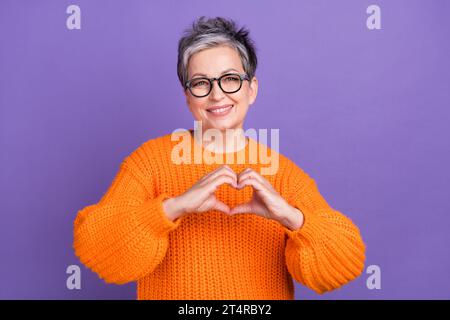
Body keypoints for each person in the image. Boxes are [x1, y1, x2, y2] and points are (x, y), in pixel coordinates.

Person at [73, 16, 366, 300]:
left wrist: (292, 218)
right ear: (187, 97)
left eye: (230, 79)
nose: (217, 95)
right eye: (201, 83)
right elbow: (98, 251)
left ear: (251, 90)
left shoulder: (284, 174)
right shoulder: (149, 162)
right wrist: (170, 209)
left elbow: (343, 266)